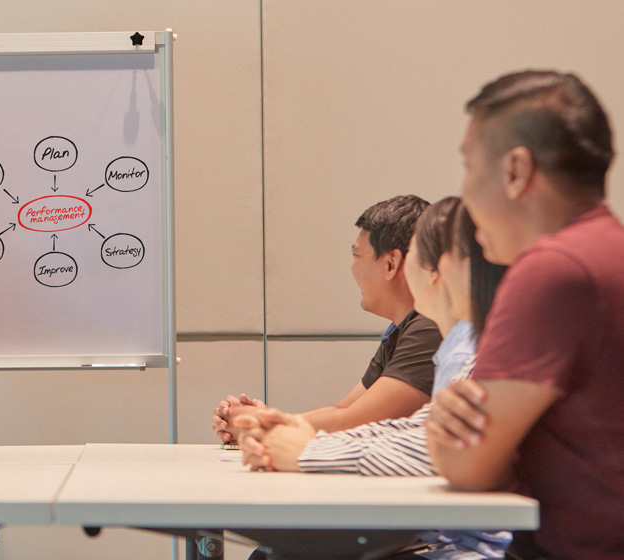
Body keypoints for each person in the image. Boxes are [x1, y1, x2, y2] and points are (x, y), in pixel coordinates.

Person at [239, 201, 510, 559]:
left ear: (438, 268)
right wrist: (289, 431)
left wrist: (306, 449)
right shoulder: (459, 348)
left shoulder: (465, 347)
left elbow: (428, 448)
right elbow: (410, 430)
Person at [428, 70, 624, 560]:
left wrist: (446, 430)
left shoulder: (552, 270)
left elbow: (469, 466)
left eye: (469, 167)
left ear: (515, 170)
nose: (465, 194)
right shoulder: (606, 251)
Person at [214, 195, 441, 438]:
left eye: (356, 255)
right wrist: (268, 419)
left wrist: (261, 425)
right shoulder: (404, 329)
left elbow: (356, 421)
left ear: (391, 264)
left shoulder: (429, 329)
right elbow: (342, 409)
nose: (352, 267)